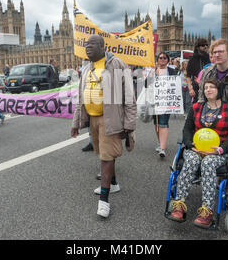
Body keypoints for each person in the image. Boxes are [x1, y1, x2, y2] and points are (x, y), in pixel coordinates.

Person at [71, 34, 136, 218]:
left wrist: (130, 123)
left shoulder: (117, 65)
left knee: (106, 158)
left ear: (102, 46)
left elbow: (129, 95)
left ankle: (104, 201)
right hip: (93, 118)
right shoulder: (86, 69)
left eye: (91, 44)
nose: (87, 47)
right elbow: (80, 99)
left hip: (111, 117)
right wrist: (76, 123)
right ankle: (113, 183)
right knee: (103, 154)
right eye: (86, 45)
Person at [168, 78, 228, 228]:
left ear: (219, 90)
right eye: (206, 87)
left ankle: (206, 211)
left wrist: (221, 149)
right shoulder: (196, 107)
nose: (208, 90)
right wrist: (189, 144)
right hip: (196, 149)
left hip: (218, 151)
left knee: (208, 163)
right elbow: (187, 129)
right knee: (192, 160)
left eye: (212, 87)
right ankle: (179, 205)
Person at [150, 52, 178, 158]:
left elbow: (176, 86)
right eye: (160, 58)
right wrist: (151, 73)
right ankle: (160, 142)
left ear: (167, 60)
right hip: (154, 100)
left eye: (164, 58)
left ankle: (162, 148)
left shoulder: (171, 71)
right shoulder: (153, 71)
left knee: (164, 122)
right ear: (157, 60)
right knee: (156, 123)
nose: (162, 59)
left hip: (167, 100)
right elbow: (146, 84)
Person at [187, 38, 211, 104]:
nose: (205, 46)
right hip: (196, 88)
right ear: (197, 47)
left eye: (206, 45)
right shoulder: (192, 59)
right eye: (203, 45)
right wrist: (190, 89)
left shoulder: (209, 58)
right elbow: (188, 75)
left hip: (209, 87)